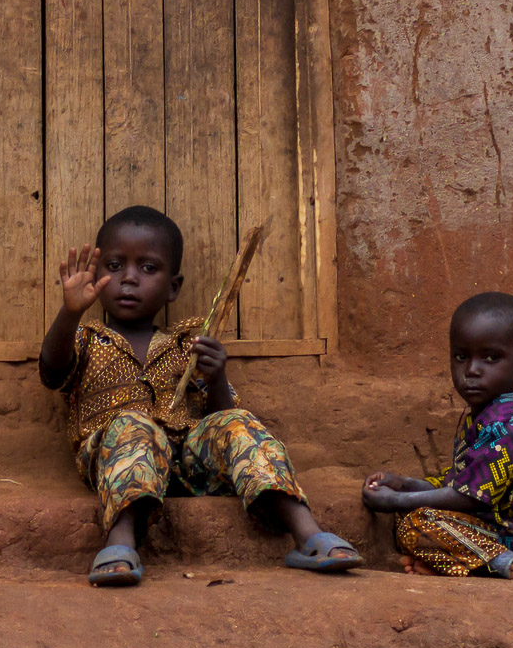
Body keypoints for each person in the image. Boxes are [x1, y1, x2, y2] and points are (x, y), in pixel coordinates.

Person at [39, 205, 362, 586]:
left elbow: (221, 418)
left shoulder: (188, 341)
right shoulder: (86, 338)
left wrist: (218, 374)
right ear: (97, 276)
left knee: (239, 423)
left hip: (189, 461)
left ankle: (307, 534)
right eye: (114, 266)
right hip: (118, 457)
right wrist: (69, 313)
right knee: (133, 425)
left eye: (147, 268)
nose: (128, 279)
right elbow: (52, 371)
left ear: (173, 286)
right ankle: (122, 540)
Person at [362, 292, 513, 580]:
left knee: (415, 522)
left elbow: (468, 498)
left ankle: (509, 563)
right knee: (411, 520)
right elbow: (461, 482)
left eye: (491, 358)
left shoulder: (511, 423)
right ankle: (453, 564)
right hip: (491, 526)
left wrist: (395, 500)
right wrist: (403, 484)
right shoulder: (489, 413)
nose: (471, 370)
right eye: (461, 357)